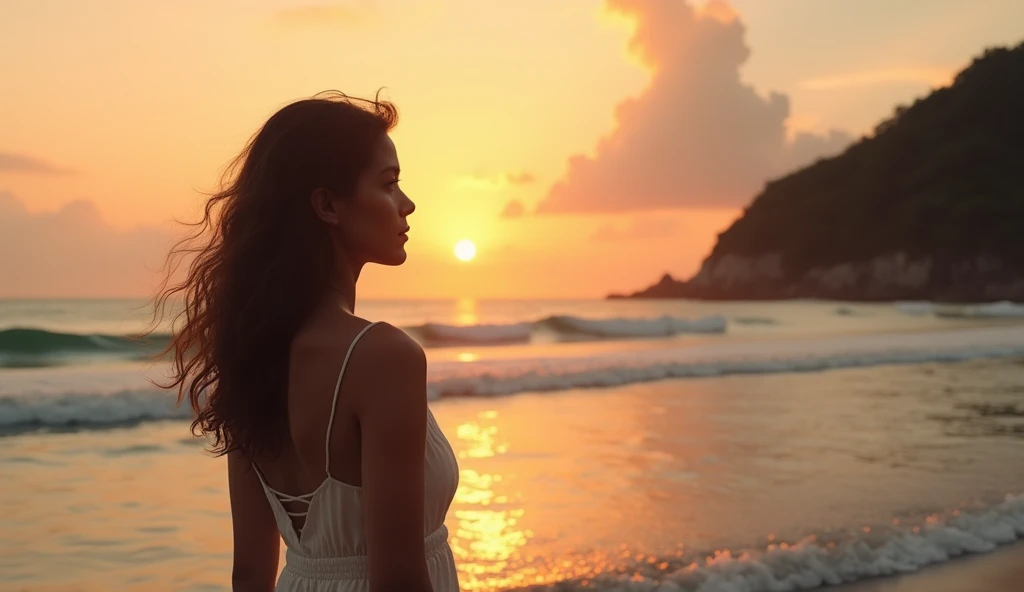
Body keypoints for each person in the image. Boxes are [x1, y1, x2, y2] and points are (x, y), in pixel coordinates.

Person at [150, 91, 460, 591]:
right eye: (389, 183)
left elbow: (250, 575)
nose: (407, 202)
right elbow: (398, 581)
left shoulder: (252, 355)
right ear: (327, 206)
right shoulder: (384, 357)